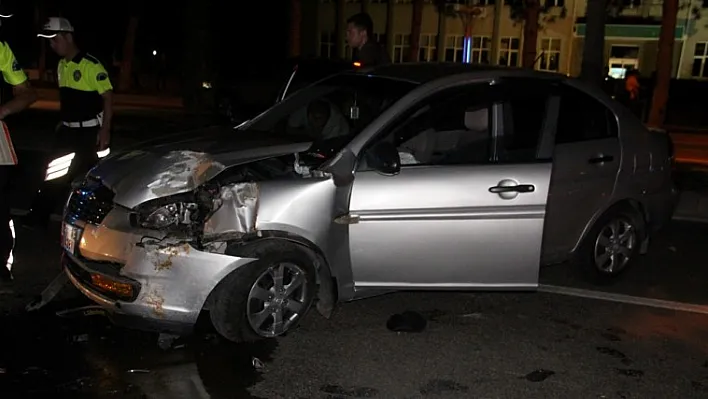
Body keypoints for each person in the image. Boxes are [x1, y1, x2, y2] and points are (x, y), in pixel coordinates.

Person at [25, 17, 114, 228]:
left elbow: (108, 97)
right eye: (49, 41)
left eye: (55, 40)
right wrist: (63, 122)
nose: (52, 45)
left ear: (68, 37)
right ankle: (38, 217)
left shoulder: (90, 65)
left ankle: (101, 223)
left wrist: (105, 130)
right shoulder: (61, 66)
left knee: (93, 179)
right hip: (67, 132)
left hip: (89, 133)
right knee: (54, 173)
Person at [0, 11, 39, 283]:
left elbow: (27, 92)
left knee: (0, 207)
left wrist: (2, 110)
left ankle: (1, 265)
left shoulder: (1, 49)